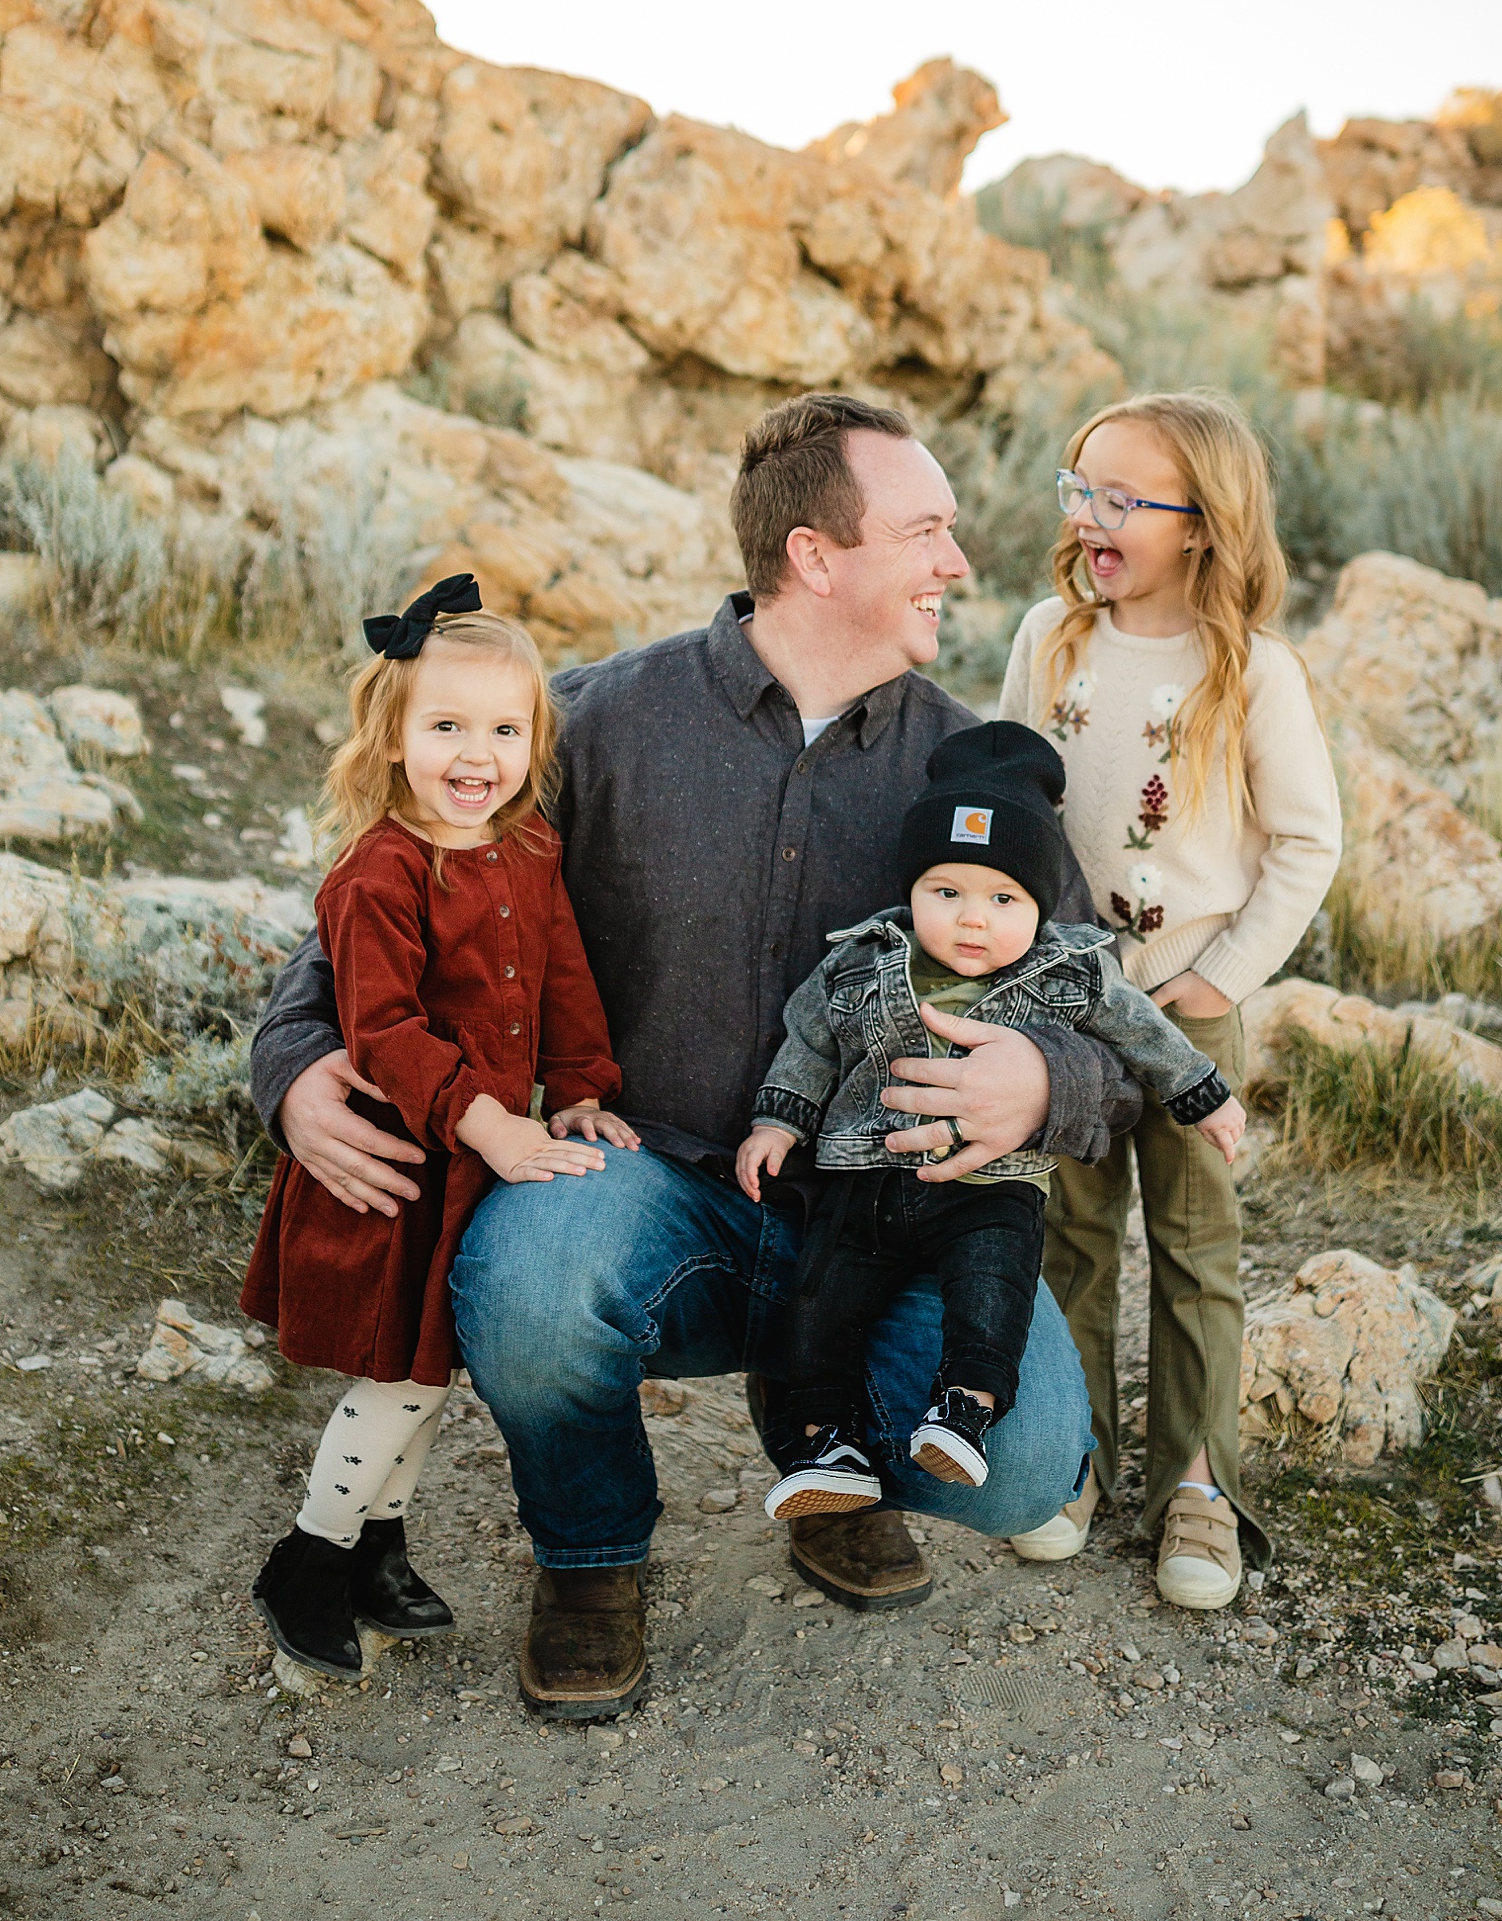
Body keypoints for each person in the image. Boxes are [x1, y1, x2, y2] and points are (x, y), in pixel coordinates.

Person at [250, 393, 1141, 1721]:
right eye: (927, 531)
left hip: (880, 1214)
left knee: (1020, 1461)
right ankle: (594, 1552)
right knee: (529, 1281)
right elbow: (392, 886)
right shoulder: (598, 720)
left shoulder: (970, 771)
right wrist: (299, 1059)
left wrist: (1045, 1083)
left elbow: (1105, 1025)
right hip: (646, 1182)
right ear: (815, 557)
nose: (957, 563)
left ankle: (818, 1438)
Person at [241, 581, 628, 1680]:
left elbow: (561, 973)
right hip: (403, 1157)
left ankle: (379, 1547)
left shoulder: (530, 848)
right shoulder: (379, 872)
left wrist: (584, 1081)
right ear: (394, 734)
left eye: (505, 730)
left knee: (433, 1362)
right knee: (400, 1373)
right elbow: (382, 1031)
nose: (478, 755)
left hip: (473, 1155)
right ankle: (308, 1556)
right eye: (447, 726)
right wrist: (493, 1122)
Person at [997, 390, 1341, 1609]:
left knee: (1196, 1245)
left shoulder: (1252, 671)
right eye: (1076, 487)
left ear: (1202, 523)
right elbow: (1006, 798)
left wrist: (1220, 977)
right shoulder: (1052, 635)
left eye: (1122, 498)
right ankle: (1068, 1454)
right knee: (1068, 1231)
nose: (1089, 516)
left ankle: (1197, 1483)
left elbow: (1307, 843)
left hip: (1189, 1003)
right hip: (1064, 1010)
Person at [740, 720, 1246, 1518]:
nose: (972, 920)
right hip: (861, 1176)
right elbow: (811, 1038)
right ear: (910, 891)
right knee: (820, 1304)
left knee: (993, 1289)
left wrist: (1202, 1093)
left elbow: (1142, 1033)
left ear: (1039, 906)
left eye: (1003, 899)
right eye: (947, 893)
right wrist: (779, 1121)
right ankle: (821, 1439)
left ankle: (965, 1408)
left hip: (989, 1184)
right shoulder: (863, 959)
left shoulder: (1068, 968)